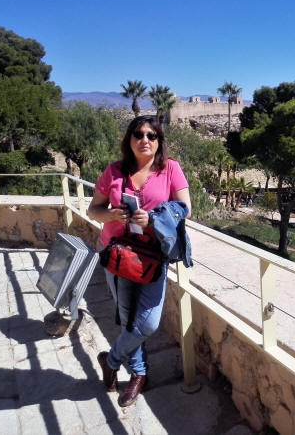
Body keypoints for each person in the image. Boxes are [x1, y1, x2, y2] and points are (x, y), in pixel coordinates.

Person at [88, 115, 191, 407]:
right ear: (129, 139)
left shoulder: (170, 169)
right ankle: (139, 374)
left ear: (159, 141)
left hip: (152, 257)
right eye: (138, 134)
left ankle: (111, 360)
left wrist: (154, 219)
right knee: (127, 319)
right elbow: (94, 209)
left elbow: (185, 208)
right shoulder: (114, 171)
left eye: (151, 135)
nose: (144, 140)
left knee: (148, 323)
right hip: (117, 255)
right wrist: (111, 214)